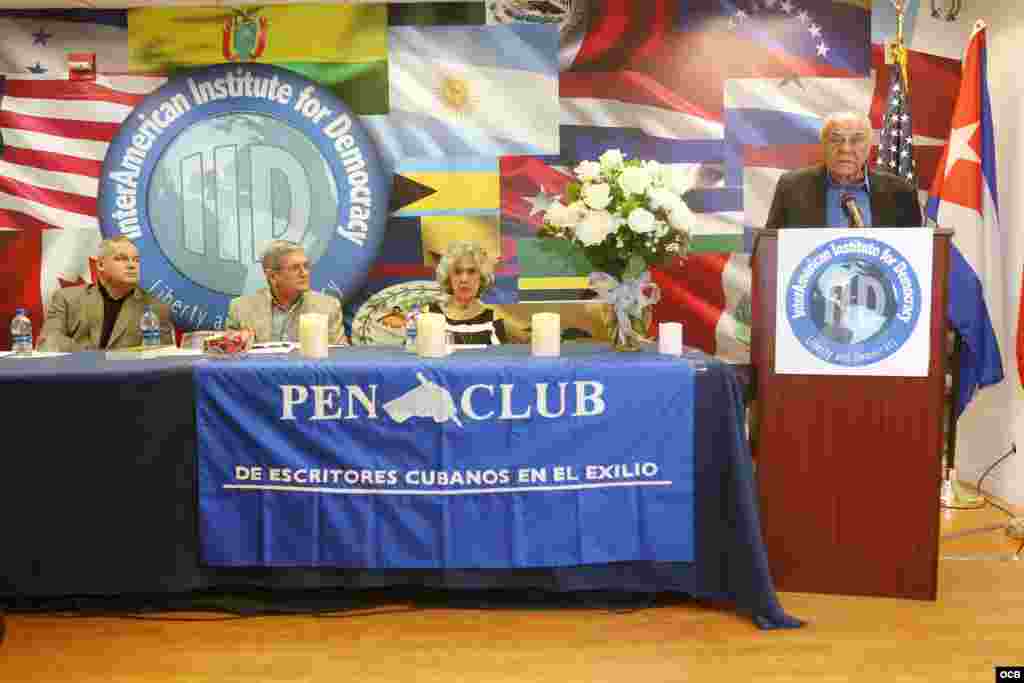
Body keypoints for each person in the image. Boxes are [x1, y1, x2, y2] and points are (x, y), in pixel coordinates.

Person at [764, 111, 922, 229]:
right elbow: (770, 248)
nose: (845, 148)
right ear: (823, 144)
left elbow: (915, 253)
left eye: (856, 140)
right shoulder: (792, 187)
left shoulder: (901, 192)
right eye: (836, 139)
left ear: (869, 146)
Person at [37, 236, 174, 351]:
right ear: (101, 265)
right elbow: (48, 341)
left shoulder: (156, 307)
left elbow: (163, 356)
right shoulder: (67, 299)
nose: (132, 265)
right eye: (121, 259)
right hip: (77, 377)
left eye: (136, 260)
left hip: (128, 380)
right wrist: (93, 360)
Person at [226, 240, 346, 344]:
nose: (304, 273)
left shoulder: (328, 307)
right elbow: (230, 357)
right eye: (295, 268)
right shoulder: (240, 309)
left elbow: (339, 357)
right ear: (272, 276)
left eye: (306, 266)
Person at [429, 241, 507, 345]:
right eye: (457, 272)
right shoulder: (430, 315)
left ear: (481, 277)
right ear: (448, 277)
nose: (464, 279)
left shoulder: (492, 319)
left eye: (471, 272)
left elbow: (502, 359)